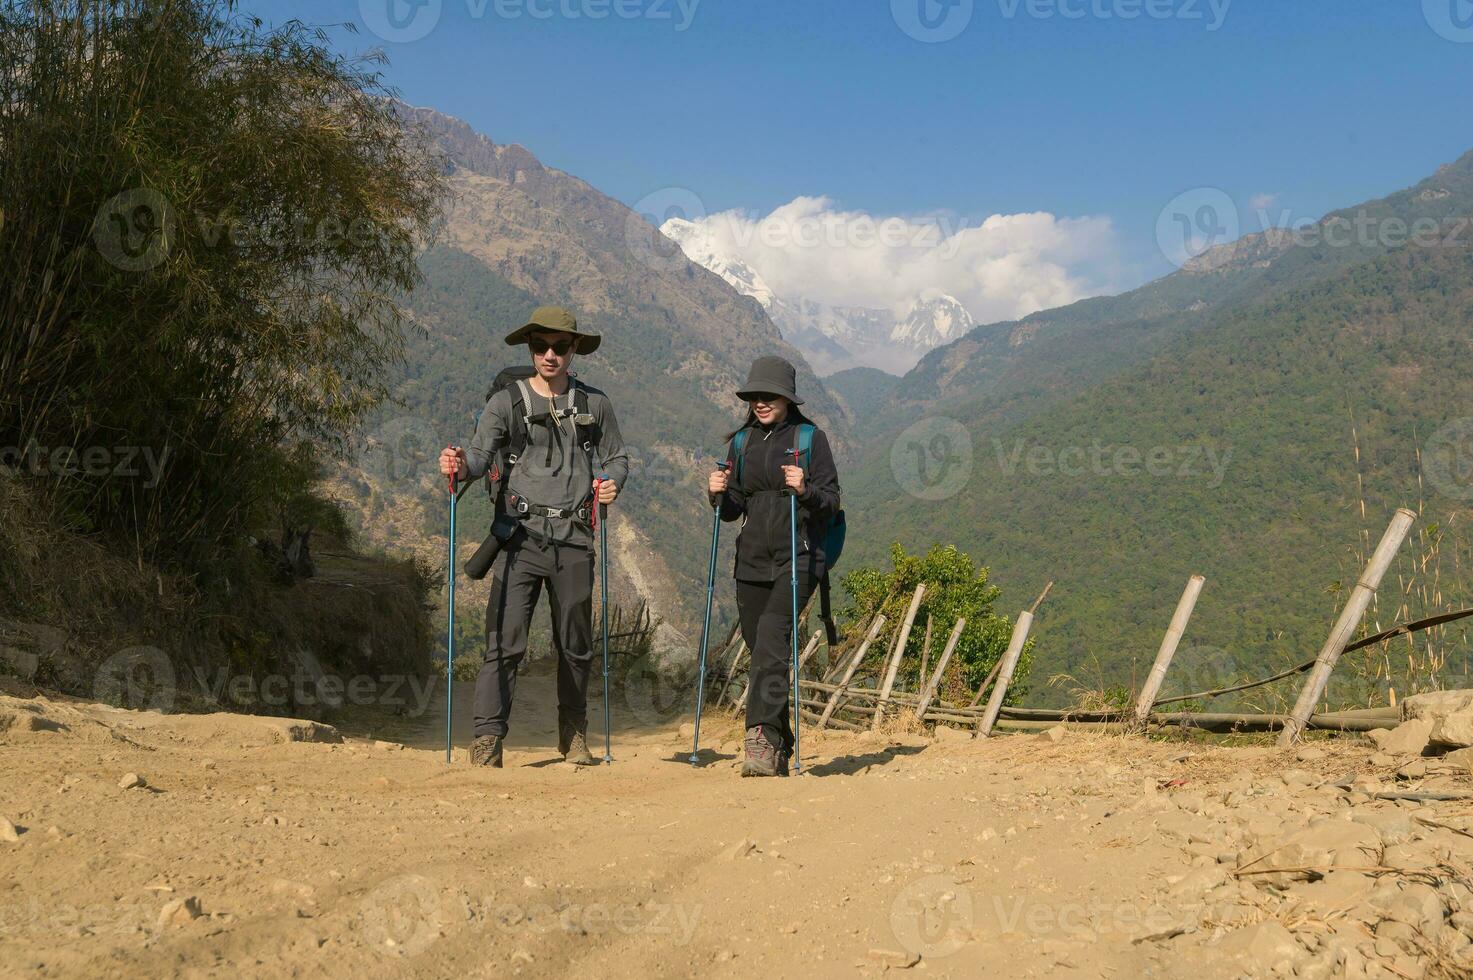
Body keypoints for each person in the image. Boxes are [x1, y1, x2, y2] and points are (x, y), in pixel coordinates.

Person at [439, 306, 629, 768]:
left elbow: (618, 457)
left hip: (575, 538)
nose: (549, 354)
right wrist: (460, 465)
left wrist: (612, 482)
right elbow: (481, 457)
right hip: (519, 538)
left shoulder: (595, 404)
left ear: (574, 350)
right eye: (540, 345)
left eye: (560, 346)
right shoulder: (505, 402)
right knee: (504, 642)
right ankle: (487, 739)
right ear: (530, 349)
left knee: (575, 644)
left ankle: (574, 735)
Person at [707, 356, 840, 776]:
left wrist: (805, 489)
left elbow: (832, 500)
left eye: (769, 396)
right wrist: (718, 494)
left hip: (799, 557)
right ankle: (780, 742)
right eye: (754, 396)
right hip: (750, 560)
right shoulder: (743, 443)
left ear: (787, 398)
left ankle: (760, 738)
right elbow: (733, 510)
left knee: (770, 638)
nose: (760, 402)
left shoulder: (809, 439)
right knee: (760, 645)